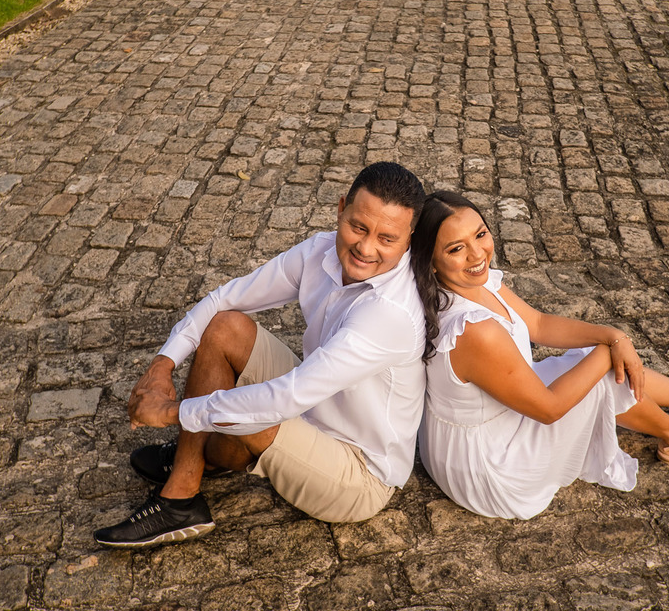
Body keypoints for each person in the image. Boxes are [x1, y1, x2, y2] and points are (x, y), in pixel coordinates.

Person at [95, 162, 429, 547]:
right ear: (341, 209)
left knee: (257, 412)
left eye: (387, 239)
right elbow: (225, 298)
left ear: (410, 240)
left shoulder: (391, 314)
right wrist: (162, 365)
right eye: (358, 227)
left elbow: (288, 397)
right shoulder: (319, 252)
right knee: (224, 326)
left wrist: (172, 412)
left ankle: (180, 499)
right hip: (314, 409)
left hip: (358, 473)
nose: (366, 248)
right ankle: (202, 457)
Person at [410, 191, 669, 520]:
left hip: (478, 427)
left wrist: (614, 336)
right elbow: (549, 409)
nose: (477, 254)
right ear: (431, 261)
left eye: (480, 234)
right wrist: (606, 353)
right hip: (490, 467)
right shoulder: (473, 330)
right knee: (597, 371)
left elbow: (536, 323)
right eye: (456, 249)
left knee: (595, 355)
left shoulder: (468, 282)